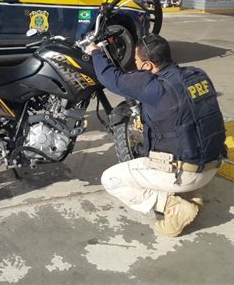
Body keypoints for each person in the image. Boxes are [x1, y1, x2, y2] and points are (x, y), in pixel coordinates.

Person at [86, 34, 226, 237]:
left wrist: (96, 52)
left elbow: (111, 78)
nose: (135, 64)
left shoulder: (154, 87)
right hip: (212, 166)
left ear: (149, 65)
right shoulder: (197, 74)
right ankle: (190, 195)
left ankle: (173, 206)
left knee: (111, 179)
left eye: (137, 61)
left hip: (185, 173)